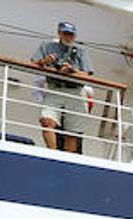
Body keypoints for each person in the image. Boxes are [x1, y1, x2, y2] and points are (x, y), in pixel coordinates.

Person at [31, 21, 92, 153]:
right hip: (55, 89)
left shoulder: (81, 51)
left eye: (71, 34)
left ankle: (65, 162)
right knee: (47, 121)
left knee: (72, 133)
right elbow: (34, 63)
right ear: (59, 33)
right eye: (66, 33)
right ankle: (53, 155)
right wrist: (44, 61)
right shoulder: (47, 46)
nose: (68, 36)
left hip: (75, 91)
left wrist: (72, 70)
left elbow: (87, 75)